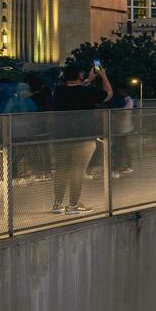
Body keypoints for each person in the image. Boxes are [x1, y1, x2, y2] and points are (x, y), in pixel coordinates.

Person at [50, 62, 111, 215]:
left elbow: (74, 91)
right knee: (77, 170)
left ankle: (57, 205)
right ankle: (73, 205)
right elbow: (108, 94)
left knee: (61, 170)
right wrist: (103, 76)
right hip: (83, 137)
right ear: (80, 76)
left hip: (61, 136)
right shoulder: (88, 92)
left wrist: (88, 80)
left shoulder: (58, 91)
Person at [107, 84, 136, 176]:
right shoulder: (121, 100)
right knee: (122, 148)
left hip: (124, 129)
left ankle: (119, 168)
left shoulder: (129, 101)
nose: (119, 92)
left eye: (121, 90)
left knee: (121, 148)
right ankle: (125, 166)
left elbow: (124, 112)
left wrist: (115, 111)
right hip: (121, 129)